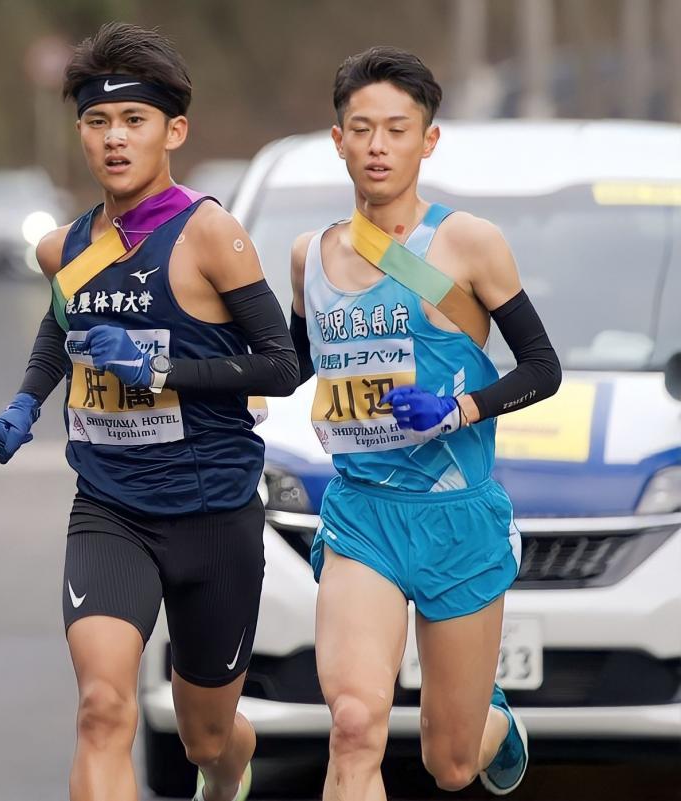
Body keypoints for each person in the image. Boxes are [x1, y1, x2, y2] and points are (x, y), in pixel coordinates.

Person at [0, 22, 301, 801]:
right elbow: (63, 323)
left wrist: (160, 368)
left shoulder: (211, 236)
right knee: (102, 709)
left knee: (206, 734)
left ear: (173, 131)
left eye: (134, 121)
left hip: (214, 512)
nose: (114, 139)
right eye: (97, 122)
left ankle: (228, 775)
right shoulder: (65, 248)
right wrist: (28, 399)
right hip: (111, 509)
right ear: (81, 134)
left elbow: (282, 366)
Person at [287, 47, 562, 800]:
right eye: (362, 128)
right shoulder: (309, 255)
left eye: (397, 130)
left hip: (456, 520)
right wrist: (171, 368)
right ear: (338, 139)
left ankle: (495, 726)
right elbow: (288, 368)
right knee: (352, 723)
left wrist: (459, 407)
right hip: (363, 516)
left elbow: (542, 367)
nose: (378, 146)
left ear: (427, 140)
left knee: (450, 762)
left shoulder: (468, 243)